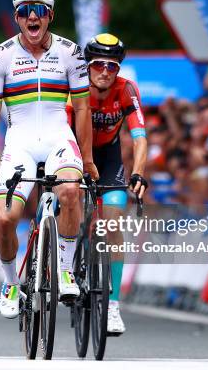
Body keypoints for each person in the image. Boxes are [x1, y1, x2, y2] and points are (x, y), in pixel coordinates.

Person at [0, 0, 98, 319]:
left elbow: (84, 109)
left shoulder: (71, 52)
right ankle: (10, 282)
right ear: (16, 17)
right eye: (24, 12)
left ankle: (65, 268)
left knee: (71, 192)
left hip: (60, 140)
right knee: (4, 220)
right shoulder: (0, 56)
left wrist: (86, 158)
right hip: (20, 144)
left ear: (50, 15)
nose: (32, 17)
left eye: (39, 11)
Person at [67, 34, 149, 334]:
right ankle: (58, 263)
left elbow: (140, 137)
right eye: (98, 64)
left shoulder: (126, 89)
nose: (105, 71)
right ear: (88, 66)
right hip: (74, 151)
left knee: (113, 225)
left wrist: (139, 173)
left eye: (112, 66)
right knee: (64, 200)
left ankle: (113, 306)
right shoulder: (74, 88)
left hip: (110, 158)